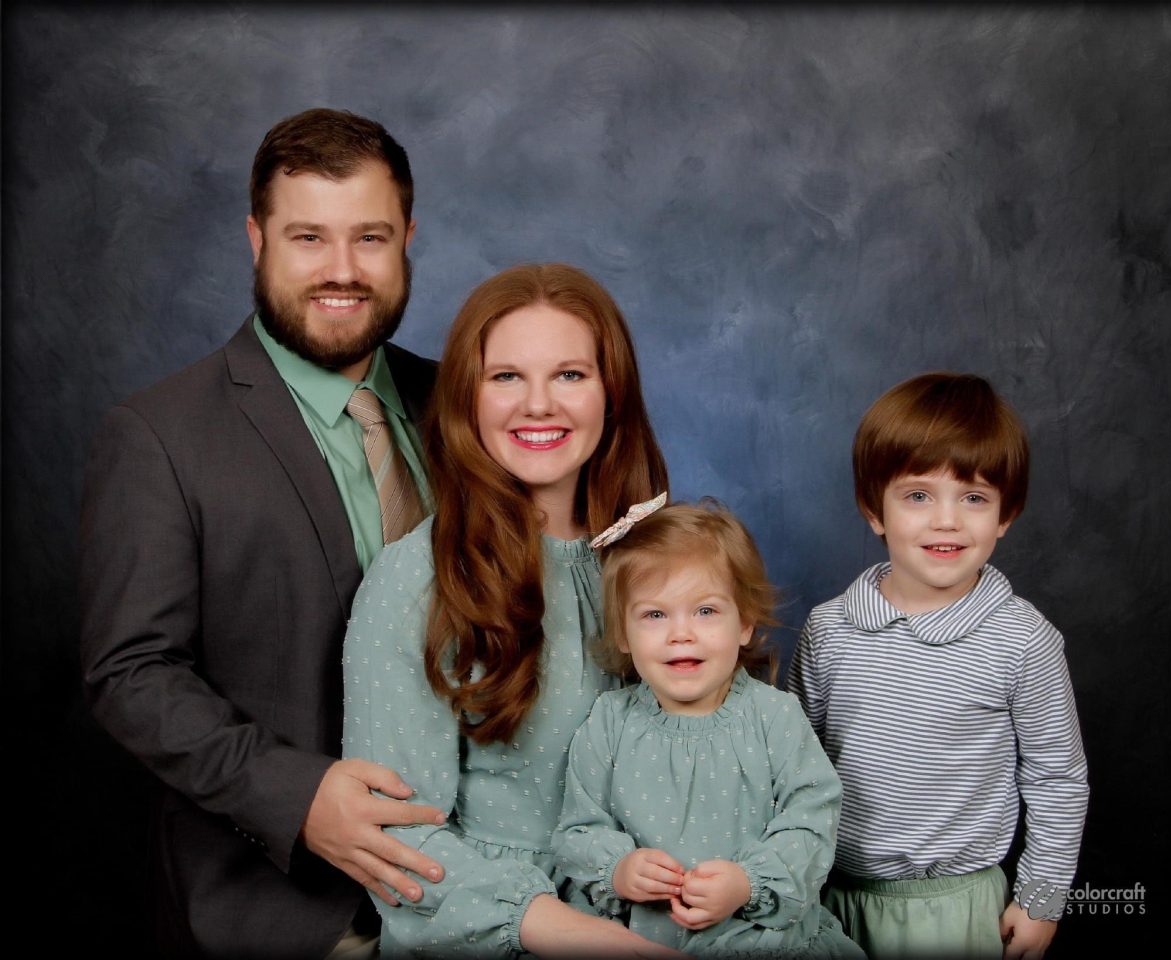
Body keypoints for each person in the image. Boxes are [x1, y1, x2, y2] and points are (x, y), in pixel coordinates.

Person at [79, 108, 447, 959]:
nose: (343, 271)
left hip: (492, 894)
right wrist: (297, 796)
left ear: (407, 238)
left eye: (371, 237)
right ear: (256, 239)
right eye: (309, 237)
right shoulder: (159, 435)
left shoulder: (467, 405)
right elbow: (131, 673)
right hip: (295, 917)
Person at [342, 262, 685, 958]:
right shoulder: (417, 581)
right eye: (506, 377)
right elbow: (400, 842)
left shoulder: (661, 558)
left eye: (569, 375)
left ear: (611, 393)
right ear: (469, 398)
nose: (539, 405)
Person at [787, 372, 1089, 960]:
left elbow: (1058, 780)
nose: (946, 520)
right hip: (826, 897)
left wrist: (1041, 900)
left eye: (974, 497)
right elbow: (795, 763)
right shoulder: (829, 630)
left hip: (956, 903)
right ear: (875, 509)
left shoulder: (1022, 639)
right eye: (918, 495)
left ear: (1006, 515)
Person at [551, 498, 865, 959]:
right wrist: (619, 868)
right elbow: (577, 829)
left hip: (765, 942)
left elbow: (812, 821)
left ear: (745, 623)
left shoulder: (775, 717)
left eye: (705, 611)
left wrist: (748, 882)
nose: (682, 633)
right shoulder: (608, 722)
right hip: (644, 940)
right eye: (655, 615)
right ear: (623, 633)